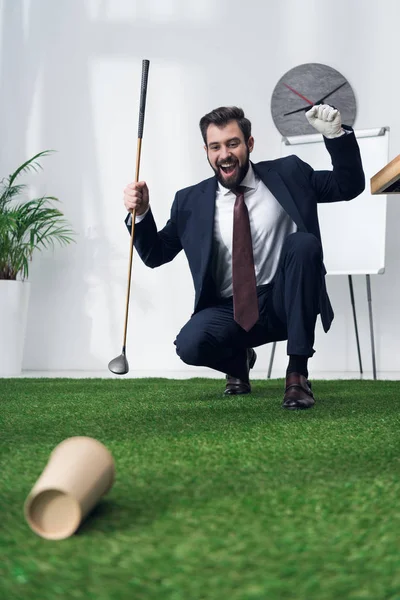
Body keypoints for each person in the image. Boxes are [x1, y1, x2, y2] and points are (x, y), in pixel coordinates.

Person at [123, 104, 365, 409]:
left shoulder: (289, 173)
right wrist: (142, 213)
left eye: (232, 143)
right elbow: (155, 255)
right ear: (207, 152)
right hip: (230, 309)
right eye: (215, 146)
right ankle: (238, 360)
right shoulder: (190, 201)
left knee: (303, 244)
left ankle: (297, 376)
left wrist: (336, 137)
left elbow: (349, 185)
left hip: (284, 301)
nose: (224, 153)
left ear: (249, 144)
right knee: (189, 346)